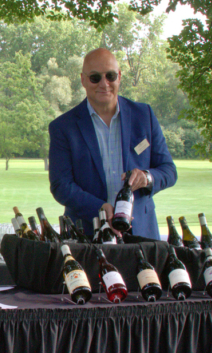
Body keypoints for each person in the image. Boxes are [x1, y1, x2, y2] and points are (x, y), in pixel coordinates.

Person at [48, 48, 176, 240]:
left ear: (119, 77)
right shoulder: (63, 127)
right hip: (87, 235)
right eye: (95, 78)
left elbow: (169, 171)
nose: (104, 83)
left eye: (110, 76)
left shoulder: (144, 116)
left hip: (142, 233)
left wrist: (147, 178)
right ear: (83, 80)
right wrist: (99, 208)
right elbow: (61, 185)